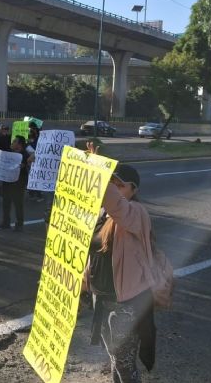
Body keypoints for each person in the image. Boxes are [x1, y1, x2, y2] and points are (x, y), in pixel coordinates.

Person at [84, 145, 156, 383]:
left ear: (133, 190)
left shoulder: (136, 212)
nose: (115, 187)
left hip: (126, 301)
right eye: (112, 183)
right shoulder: (103, 212)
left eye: (120, 184)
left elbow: (117, 205)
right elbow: (92, 247)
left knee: (124, 362)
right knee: (114, 355)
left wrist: (98, 168)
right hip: (102, 296)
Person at [0, 135, 29, 232]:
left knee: (18, 204)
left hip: (18, 184)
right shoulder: (9, 153)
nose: (12, 143)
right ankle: (6, 222)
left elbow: (27, 168)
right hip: (7, 182)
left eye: (14, 142)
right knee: (5, 203)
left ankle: (19, 224)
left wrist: (24, 165)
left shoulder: (25, 155)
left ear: (20, 145)